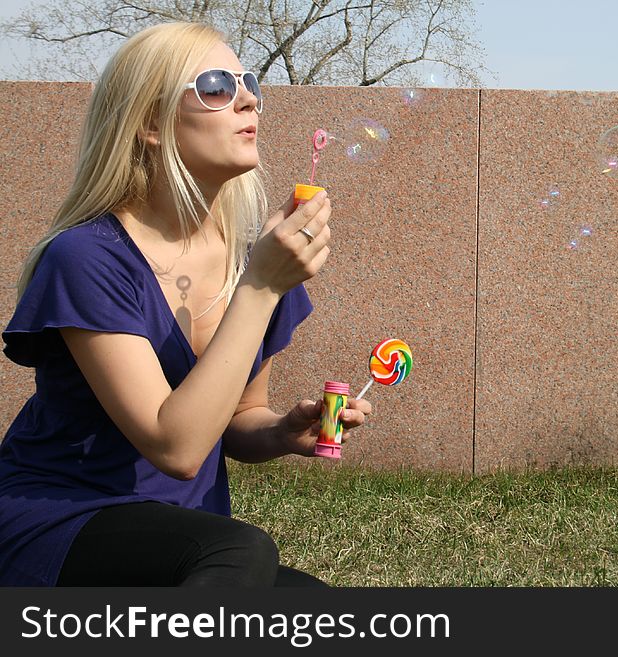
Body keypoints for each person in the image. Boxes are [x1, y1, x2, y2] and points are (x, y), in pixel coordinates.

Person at [0, 21, 371, 587]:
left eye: (248, 82)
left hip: (183, 536)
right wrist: (261, 286)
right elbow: (176, 447)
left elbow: (237, 416)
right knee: (241, 553)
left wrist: (276, 432)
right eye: (217, 85)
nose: (248, 97)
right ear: (150, 123)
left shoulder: (254, 259)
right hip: (61, 520)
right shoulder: (87, 258)